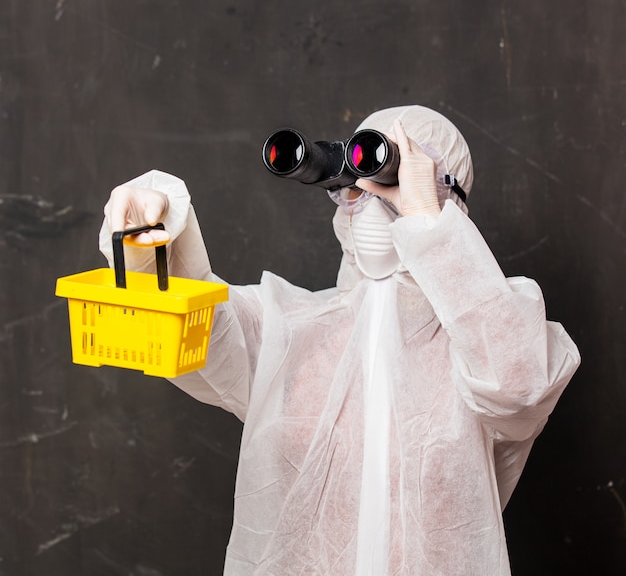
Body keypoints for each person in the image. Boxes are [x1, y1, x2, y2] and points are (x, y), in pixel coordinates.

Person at [99, 105, 580, 575]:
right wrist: (150, 241)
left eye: (388, 181)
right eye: (354, 188)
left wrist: (428, 223)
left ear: (445, 197)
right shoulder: (293, 332)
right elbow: (190, 331)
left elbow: (520, 389)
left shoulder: (490, 337)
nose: (368, 204)